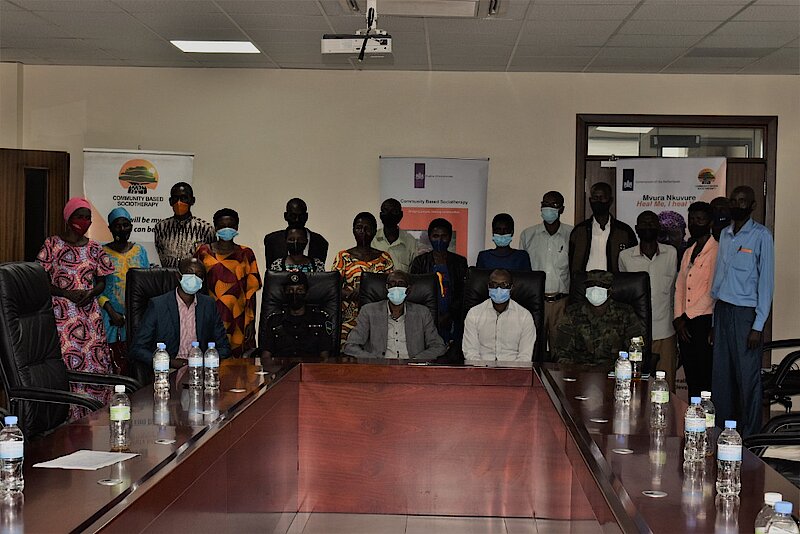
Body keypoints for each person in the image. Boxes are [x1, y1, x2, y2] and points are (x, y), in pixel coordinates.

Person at [37, 197, 116, 418]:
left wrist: (92, 292)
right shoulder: (52, 244)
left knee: (96, 363)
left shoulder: (94, 248)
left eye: (87, 217)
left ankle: (97, 414)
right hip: (63, 315)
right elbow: (41, 279)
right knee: (69, 363)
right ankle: (71, 418)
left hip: (90, 316)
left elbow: (102, 281)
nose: (83, 221)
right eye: (79, 216)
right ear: (68, 217)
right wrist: (65, 293)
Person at [711, 186, 774, 438]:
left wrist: (758, 326)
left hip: (746, 315)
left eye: (742, 201)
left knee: (748, 379)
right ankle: (722, 433)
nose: (737, 205)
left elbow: (766, 284)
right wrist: (714, 322)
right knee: (721, 378)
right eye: (733, 201)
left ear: (752, 206)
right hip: (723, 311)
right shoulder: (725, 234)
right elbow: (718, 280)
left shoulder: (761, 236)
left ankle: (750, 437)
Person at [130, 257, 231, 366]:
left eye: (199, 275)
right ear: (178, 276)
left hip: (201, 367)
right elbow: (137, 348)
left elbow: (224, 347)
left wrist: (205, 361)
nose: (194, 278)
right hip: (169, 369)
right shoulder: (158, 305)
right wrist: (169, 362)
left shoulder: (208, 305)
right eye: (189, 273)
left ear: (202, 280)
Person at [619, 211, 678, 391]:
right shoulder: (625, 256)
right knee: (635, 386)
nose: (648, 226)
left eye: (652, 223)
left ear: (659, 227)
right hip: (636, 335)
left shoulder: (671, 253)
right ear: (636, 229)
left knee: (666, 386)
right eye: (643, 223)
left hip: (665, 331)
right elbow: (624, 297)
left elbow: (676, 291)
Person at [194, 208, 262, 357]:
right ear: (215, 227)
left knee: (238, 364)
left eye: (230, 225)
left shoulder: (246, 253)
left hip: (238, 317)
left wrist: (251, 322)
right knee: (211, 357)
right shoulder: (203, 252)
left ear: (236, 227)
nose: (226, 229)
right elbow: (196, 286)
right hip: (211, 315)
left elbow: (251, 291)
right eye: (222, 226)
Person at [552, 270, 645, 370]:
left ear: (610, 291)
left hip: (615, 372)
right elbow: (561, 352)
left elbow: (636, 351)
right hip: (581, 372)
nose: (595, 290)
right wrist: (576, 371)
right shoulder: (573, 313)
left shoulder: (625, 313)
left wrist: (623, 370)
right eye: (590, 285)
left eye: (601, 286)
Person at [344, 271, 445, 359]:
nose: (396, 288)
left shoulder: (422, 313)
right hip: (380, 369)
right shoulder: (369, 311)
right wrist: (373, 361)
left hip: (412, 369)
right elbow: (350, 346)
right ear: (387, 288)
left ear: (408, 290)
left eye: (401, 284)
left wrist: (416, 361)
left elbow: (438, 346)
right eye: (392, 284)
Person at [674, 201, 718, 399]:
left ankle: (706, 415)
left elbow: (712, 291)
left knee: (704, 375)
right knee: (691, 375)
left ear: (710, 223)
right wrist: (678, 318)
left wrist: (686, 317)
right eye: (691, 219)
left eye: (700, 219)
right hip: (684, 324)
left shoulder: (716, 250)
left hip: (704, 322)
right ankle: (693, 413)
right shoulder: (688, 250)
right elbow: (679, 287)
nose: (694, 223)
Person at [520, 191, 572, 354]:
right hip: (535, 302)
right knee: (534, 349)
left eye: (553, 205)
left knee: (561, 350)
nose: (548, 208)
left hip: (562, 302)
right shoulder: (528, 235)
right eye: (545, 204)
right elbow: (523, 272)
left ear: (562, 209)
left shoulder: (572, 234)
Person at [331, 212, 394, 347]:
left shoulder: (384, 258)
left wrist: (366, 292)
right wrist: (349, 293)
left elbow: (391, 288)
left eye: (367, 228)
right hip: (348, 318)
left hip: (378, 316)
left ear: (374, 231)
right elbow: (332, 287)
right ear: (353, 230)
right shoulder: (343, 257)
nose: (363, 232)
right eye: (359, 228)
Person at [410, 218, 468, 347]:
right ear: (430, 237)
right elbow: (415, 294)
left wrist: (449, 315)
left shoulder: (460, 262)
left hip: (453, 319)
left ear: (450, 237)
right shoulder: (420, 262)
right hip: (426, 318)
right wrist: (433, 317)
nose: (440, 240)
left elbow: (463, 292)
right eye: (435, 236)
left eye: (444, 236)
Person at [99, 207, 149, 353]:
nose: (122, 229)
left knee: (137, 355)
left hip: (137, 316)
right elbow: (96, 287)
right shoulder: (102, 253)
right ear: (110, 228)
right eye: (117, 225)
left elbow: (147, 284)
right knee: (112, 356)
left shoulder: (140, 251)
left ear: (131, 227)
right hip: (110, 317)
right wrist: (112, 312)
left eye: (125, 225)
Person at [462, 269, 536, 362]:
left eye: (504, 285)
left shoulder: (524, 316)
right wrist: (482, 369)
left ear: (511, 288)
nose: (498, 289)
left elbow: (525, 356)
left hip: (513, 368)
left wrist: (512, 371)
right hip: (482, 367)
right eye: (494, 285)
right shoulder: (474, 314)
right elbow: (470, 352)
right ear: (488, 287)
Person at [569, 182, 637, 278]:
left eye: (602, 197)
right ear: (590, 201)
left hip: (615, 285)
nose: (598, 201)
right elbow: (571, 262)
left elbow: (632, 262)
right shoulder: (579, 231)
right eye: (595, 198)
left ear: (610, 200)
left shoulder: (624, 231)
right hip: (584, 284)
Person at [261, 272, 333, 361]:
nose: (294, 294)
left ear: (306, 293)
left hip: (310, 368)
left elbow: (325, 357)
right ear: (285, 293)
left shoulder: (320, 320)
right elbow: (266, 357)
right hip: (281, 367)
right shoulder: (274, 321)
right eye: (290, 290)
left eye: (299, 290)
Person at [153, 182, 215, 269]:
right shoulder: (161, 227)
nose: (179, 202)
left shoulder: (206, 229)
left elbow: (210, 259)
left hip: (195, 276)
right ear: (170, 201)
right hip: (169, 275)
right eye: (175, 198)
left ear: (192, 201)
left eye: (184, 198)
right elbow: (161, 254)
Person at [264, 198, 328, 268]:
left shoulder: (320, 242)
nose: (297, 220)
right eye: (293, 216)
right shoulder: (272, 241)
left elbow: (320, 273)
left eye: (301, 216)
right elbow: (270, 272)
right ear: (285, 216)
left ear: (306, 217)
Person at [372, 198, 417, 272]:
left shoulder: (410, 241)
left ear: (401, 215)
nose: (389, 215)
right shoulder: (372, 239)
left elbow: (414, 273)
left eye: (394, 211)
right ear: (380, 215)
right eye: (385, 211)